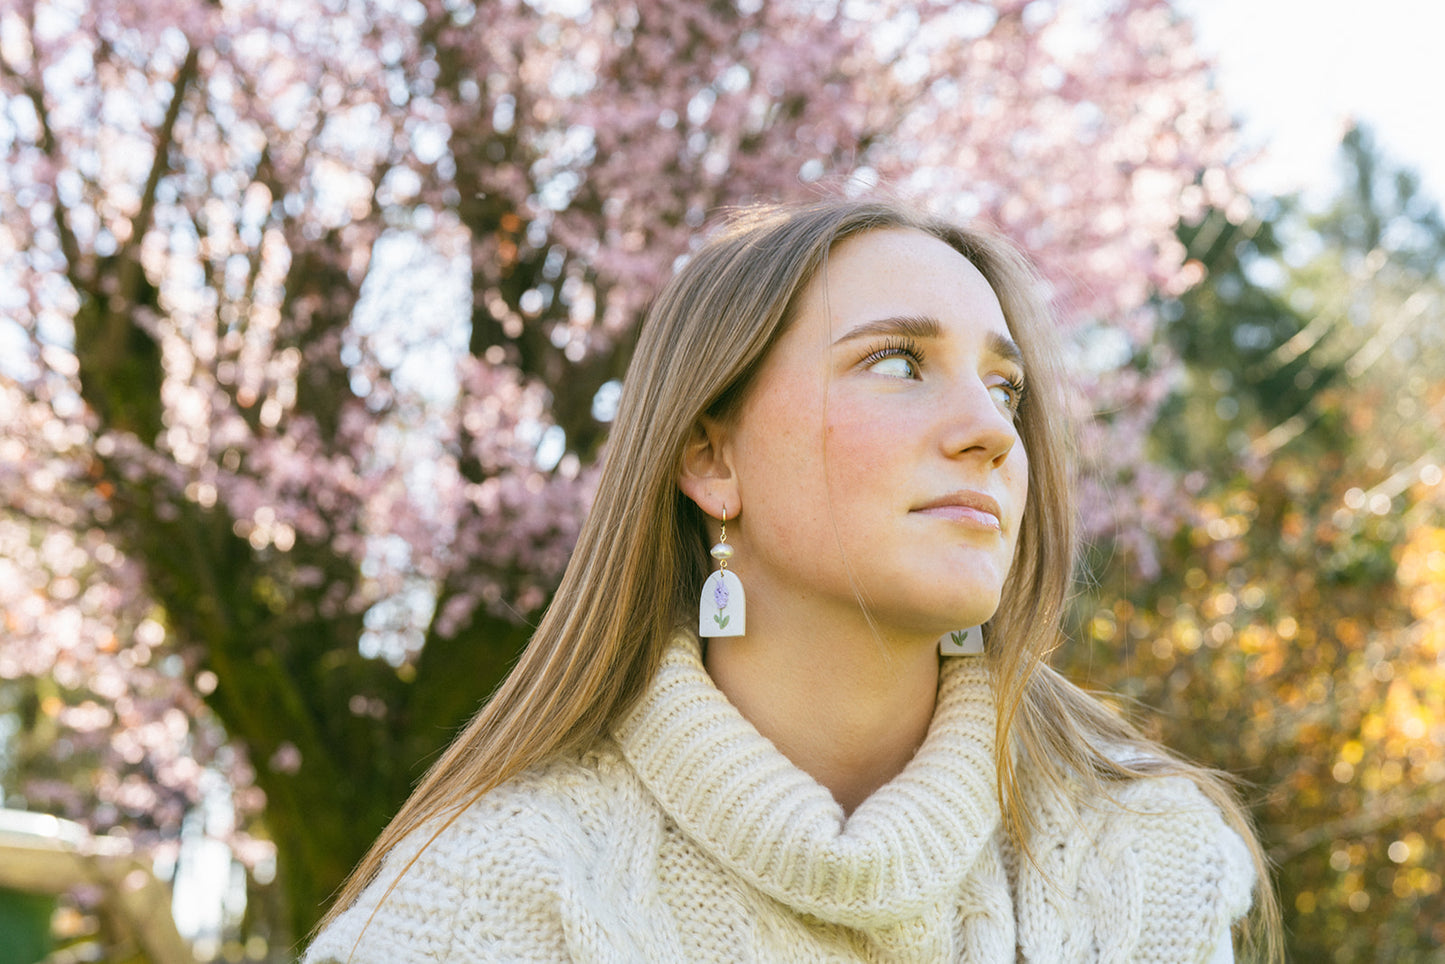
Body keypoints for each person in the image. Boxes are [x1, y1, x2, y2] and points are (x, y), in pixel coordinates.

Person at [306, 198, 1279, 962]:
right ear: (709, 461)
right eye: (896, 362)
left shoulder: (1141, 858)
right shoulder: (484, 905)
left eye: (1004, 388)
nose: (989, 431)